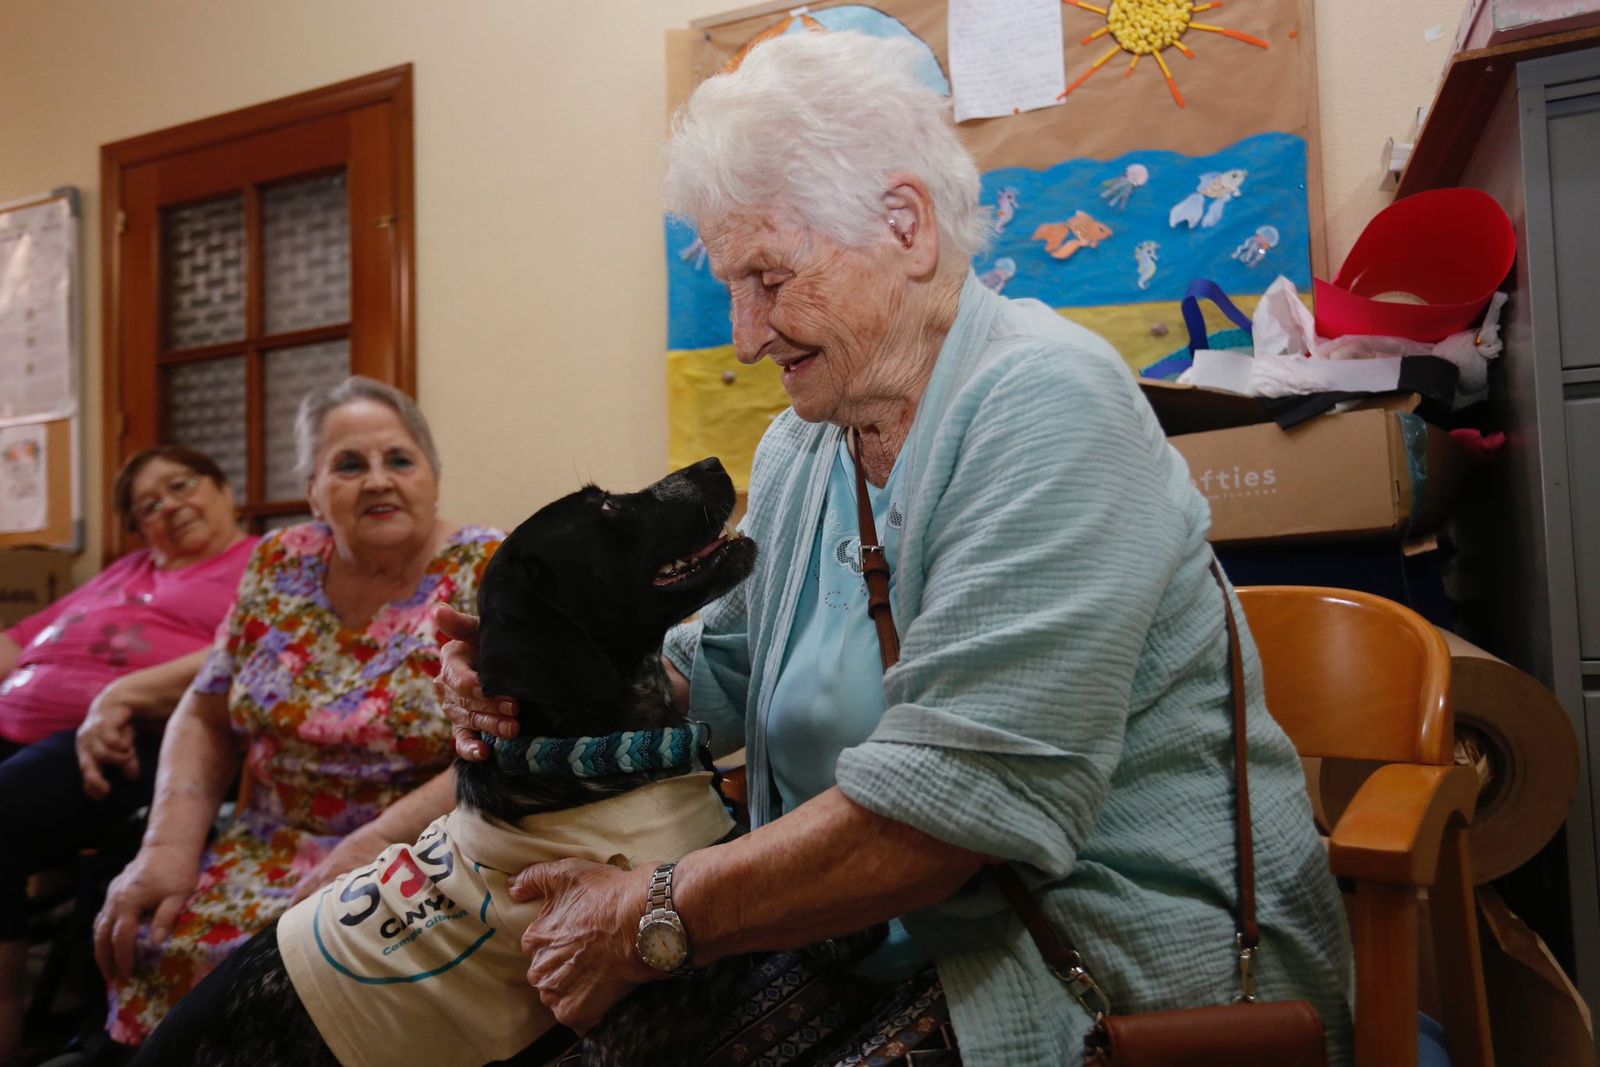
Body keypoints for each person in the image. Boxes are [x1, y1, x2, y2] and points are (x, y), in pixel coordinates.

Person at [438, 31, 1354, 1067]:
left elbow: (953, 806)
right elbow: (727, 672)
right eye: (729, 286)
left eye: (768, 279)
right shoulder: (800, 446)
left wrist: (646, 915)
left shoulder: (1048, 403)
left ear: (905, 226)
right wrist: (522, 678)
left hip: (1100, 967)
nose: (744, 336)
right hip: (870, 945)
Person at [91, 376, 501, 1051]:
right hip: (265, 844)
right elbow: (205, 708)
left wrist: (367, 846)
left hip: (420, 851)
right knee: (151, 923)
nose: (377, 481)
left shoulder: (489, 566)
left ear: (433, 477)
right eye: (348, 464)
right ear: (312, 490)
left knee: (312, 977)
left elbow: (506, 743)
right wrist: (165, 848)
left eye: (399, 460)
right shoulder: (279, 562)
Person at [0, 445, 255, 1064]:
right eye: (149, 505)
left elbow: (250, 644)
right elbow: (17, 639)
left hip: (135, 735)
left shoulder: (262, 564)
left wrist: (120, 695)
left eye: (182, 484)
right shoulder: (124, 572)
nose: (169, 505)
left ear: (225, 490)